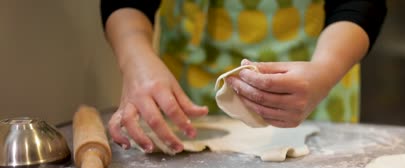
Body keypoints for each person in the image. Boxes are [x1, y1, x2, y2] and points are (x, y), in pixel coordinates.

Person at [100, 0, 387, 153]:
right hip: (186, 86)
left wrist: (325, 70)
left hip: (311, 73)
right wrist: (135, 58)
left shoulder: (319, 71)